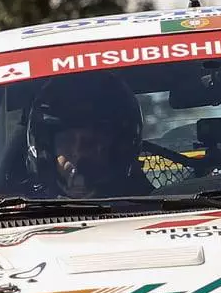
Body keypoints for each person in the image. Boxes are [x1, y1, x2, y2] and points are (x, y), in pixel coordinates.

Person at [10, 72, 152, 200]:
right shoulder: (22, 208)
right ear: (46, 150)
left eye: (90, 143)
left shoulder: (155, 205)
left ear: (118, 149)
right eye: (66, 143)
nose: (78, 154)